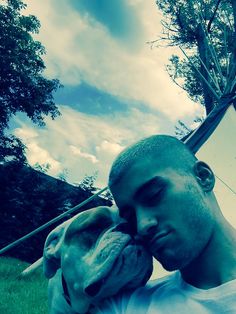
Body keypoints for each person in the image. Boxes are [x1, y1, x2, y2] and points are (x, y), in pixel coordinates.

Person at [93, 134, 236, 314]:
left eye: (153, 195)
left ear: (203, 177)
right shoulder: (125, 306)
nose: (142, 226)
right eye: (131, 217)